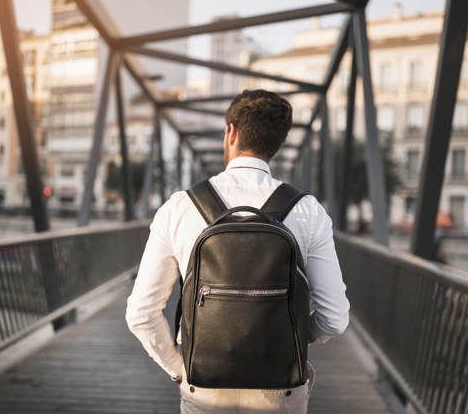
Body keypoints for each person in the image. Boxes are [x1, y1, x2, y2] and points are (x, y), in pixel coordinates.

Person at [126, 89, 350, 413]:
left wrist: (180, 369)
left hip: (204, 388)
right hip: (281, 389)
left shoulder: (180, 207)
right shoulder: (308, 212)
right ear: (278, 144)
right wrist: (291, 335)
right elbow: (335, 319)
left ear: (231, 132)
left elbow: (141, 314)